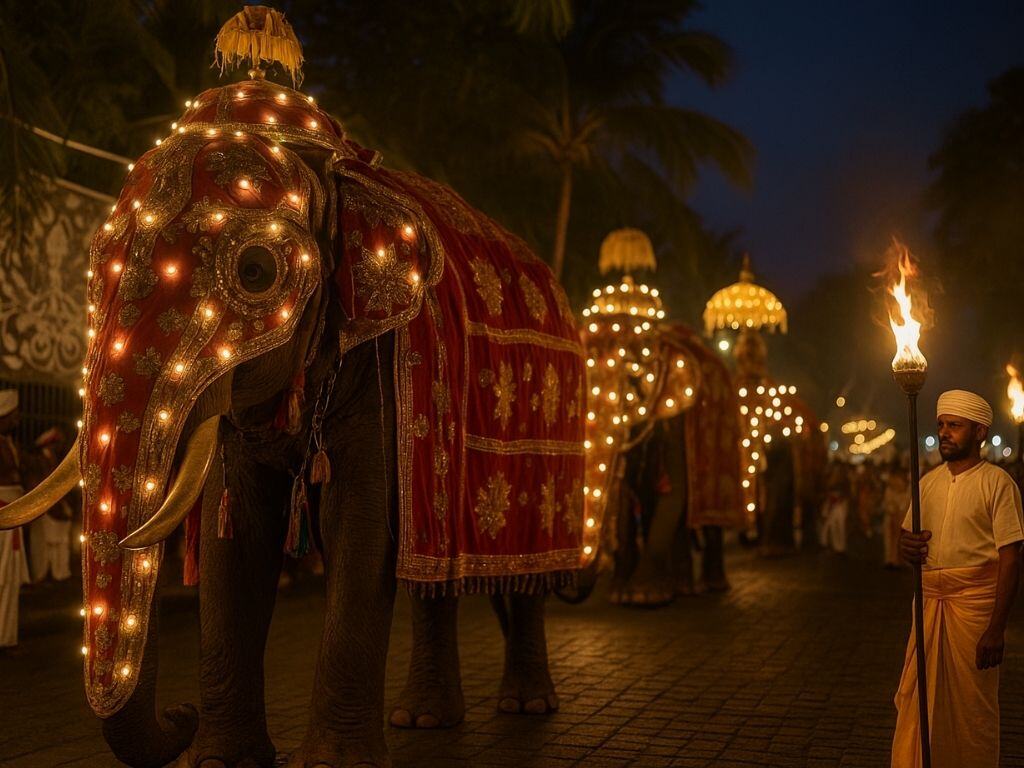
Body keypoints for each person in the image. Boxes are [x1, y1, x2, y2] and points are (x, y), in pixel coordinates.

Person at [892, 390, 1024, 767]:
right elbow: (907, 538)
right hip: (930, 606)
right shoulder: (927, 483)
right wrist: (908, 549)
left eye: (955, 425)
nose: (945, 433)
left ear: (980, 431)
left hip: (974, 611)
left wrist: (997, 628)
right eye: (941, 426)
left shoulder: (998, 484)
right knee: (919, 704)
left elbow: (1011, 559)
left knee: (971, 709)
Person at [0, 389, 29, 653]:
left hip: (14, 514)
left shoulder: (11, 445)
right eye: (13, 415)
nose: (18, 419)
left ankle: (6, 637)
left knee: (9, 578)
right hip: (3, 516)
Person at [26, 427, 73, 582]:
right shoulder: (40, 461)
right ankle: (43, 573)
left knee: (55, 540)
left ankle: (56, 572)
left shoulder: (53, 459)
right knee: (43, 541)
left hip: (53, 504)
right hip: (44, 505)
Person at [882, 466, 911, 569]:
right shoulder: (890, 489)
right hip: (892, 517)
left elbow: (906, 503)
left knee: (899, 539)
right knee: (890, 539)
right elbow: (888, 503)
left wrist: (899, 511)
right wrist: (893, 510)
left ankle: (897, 560)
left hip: (901, 518)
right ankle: (891, 560)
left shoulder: (907, 489)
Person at [819, 463, 850, 553]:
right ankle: (837, 546)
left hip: (840, 505)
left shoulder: (844, 481)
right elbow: (828, 491)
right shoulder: (831, 480)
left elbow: (847, 493)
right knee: (833, 526)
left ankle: (842, 546)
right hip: (833, 505)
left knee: (840, 526)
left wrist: (840, 499)